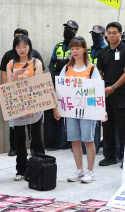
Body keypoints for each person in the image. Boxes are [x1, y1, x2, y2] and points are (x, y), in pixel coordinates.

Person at [53, 36, 102, 183]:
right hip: (70, 110)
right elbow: (59, 89)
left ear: (84, 49)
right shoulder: (66, 68)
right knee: (75, 140)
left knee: (88, 140)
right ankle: (79, 169)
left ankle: (90, 171)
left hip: (87, 111)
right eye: (72, 48)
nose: (74, 51)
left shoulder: (92, 68)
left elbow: (97, 91)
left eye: (77, 48)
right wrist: (56, 108)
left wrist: (101, 110)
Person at [0, 28, 45, 157]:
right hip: (17, 106)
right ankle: (21, 169)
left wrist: (33, 106)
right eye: (18, 47)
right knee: (20, 140)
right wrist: (15, 75)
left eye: (25, 46)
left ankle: (40, 167)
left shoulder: (36, 63)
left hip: (34, 106)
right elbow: (9, 87)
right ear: (15, 48)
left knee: (36, 138)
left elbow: (39, 85)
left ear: (29, 47)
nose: (22, 49)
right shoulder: (11, 63)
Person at [97, 22, 125, 166]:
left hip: (121, 93)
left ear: (120, 33)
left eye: (114, 32)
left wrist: (113, 87)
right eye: (109, 33)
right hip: (105, 94)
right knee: (107, 126)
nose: (111, 35)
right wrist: (102, 87)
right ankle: (110, 156)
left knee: (123, 127)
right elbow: (99, 72)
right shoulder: (102, 52)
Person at [46, 20, 78, 149]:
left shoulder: (77, 47)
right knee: (57, 111)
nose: (67, 31)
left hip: (71, 84)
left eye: (70, 29)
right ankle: (58, 142)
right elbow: (52, 62)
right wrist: (53, 72)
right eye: (66, 28)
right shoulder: (58, 46)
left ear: (75, 32)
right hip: (57, 82)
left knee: (70, 112)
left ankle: (71, 140)